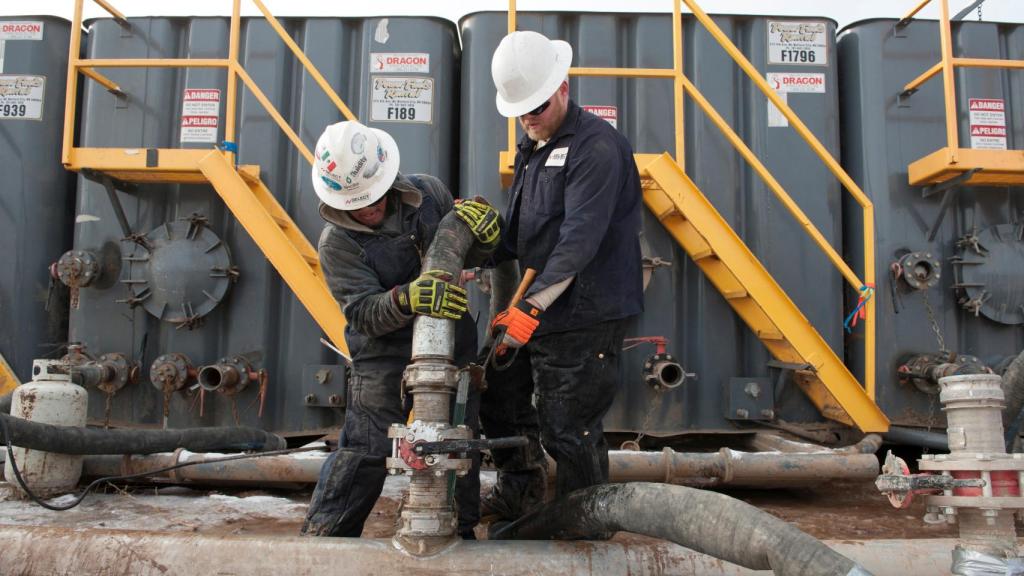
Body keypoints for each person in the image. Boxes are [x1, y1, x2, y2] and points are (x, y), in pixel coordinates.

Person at [300, 121, 501, 539]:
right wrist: (408, 299)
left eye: (372, 198)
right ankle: (326, 538)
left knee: (458, 437)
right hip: (382, 348)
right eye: (357, 203)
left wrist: (485, 240)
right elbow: (362, 313)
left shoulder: (428, 193)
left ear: (388, 178)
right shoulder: (336, 243)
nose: (368, 209)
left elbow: (460, 248)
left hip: (450, 337)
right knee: (367, 446)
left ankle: (458, 533)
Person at [479, 30, 644, 522]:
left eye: (538, 106)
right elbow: (518, 234)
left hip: (586, 313)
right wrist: (474, 257)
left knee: (568, 425)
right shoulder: (532, 145)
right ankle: (523, 490)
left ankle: (585, 521)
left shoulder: (597, 148)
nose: (529, 117)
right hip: (543, 307)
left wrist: (530, 306)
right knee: (500, 393)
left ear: (564, 88)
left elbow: (578, 239)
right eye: (521, 110)